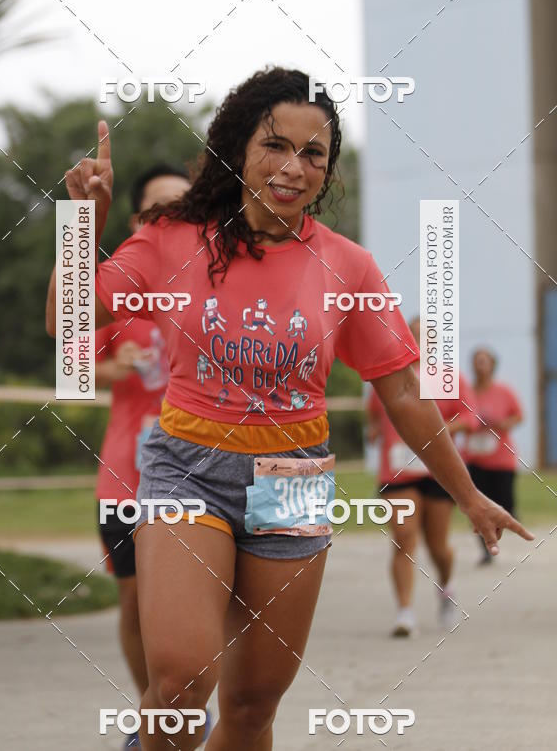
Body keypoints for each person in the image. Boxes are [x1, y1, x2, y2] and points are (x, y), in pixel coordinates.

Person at [46, 67, 533, 751]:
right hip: (187, 466)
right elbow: (67, 321)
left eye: (314, 155)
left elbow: (401, 392)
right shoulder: (173, 238)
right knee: (183, 685)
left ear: (328, 173)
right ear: (240, 146)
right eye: (276, 144)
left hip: (293, 479)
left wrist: (469, 494)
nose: (293, 167)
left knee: (251, 707)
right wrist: (82, 222)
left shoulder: (349, 267)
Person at [95, 164, 190, 749]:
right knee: (135, 599)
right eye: (160, 209)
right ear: (138, 222)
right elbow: (68, 362)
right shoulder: (121, 294)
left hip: (200, 475)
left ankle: (189, 702)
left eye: (186, 206)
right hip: (126, 476)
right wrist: (113, 367)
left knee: (203, 603)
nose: (173, 218)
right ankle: (153, 712)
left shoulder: (214, 284)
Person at [367, 317, 478, 637]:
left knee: (438, 545)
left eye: (423, 336)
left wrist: (442, 429)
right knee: (404, 537)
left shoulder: (448, 376)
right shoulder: (389, 375)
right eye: (411, 335)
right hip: (397, 470)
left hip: (437, 470)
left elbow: (470, 417)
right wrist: (375, 428)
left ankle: (446, 586)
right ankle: (405, 612)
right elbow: (374, 409)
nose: (416, 341)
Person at [467, 346, 524, 564]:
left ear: (492, 365)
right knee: (478, 506)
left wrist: (502, 424)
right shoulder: (468, 391)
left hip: (501, 457)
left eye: (484, 361)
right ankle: (485, 548)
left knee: (505, 503)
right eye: (476, 360)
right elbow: (458, 416)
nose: (480, 365)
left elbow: (519, 416)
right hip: (476, 457)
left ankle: (505, 517)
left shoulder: (504, 391)